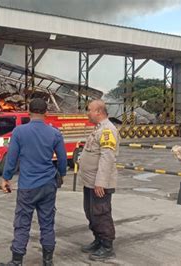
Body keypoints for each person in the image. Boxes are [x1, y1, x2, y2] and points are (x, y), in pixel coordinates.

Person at [0, 98, 67, 266]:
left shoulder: (19, 132)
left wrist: (6, 178)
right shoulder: (55, 133)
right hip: (48, 185)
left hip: (28, 186)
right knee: (47, 223)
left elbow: (12, 158)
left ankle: (16, 261)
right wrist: (62, 174)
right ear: (46, 113)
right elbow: (63, 159)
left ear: (29, 112)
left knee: (22, 223)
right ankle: (48, 261)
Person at [78, 99, 120, 261]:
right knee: (91, 212)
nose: (87, 113)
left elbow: (107, 157)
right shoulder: (98, 129)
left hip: (99, 184)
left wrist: (101, 182)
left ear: (98, 112)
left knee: (101, 213)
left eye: (89, 110)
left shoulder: (108, 130)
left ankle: (107, 246)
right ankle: (98, 240)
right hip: (90, 182)